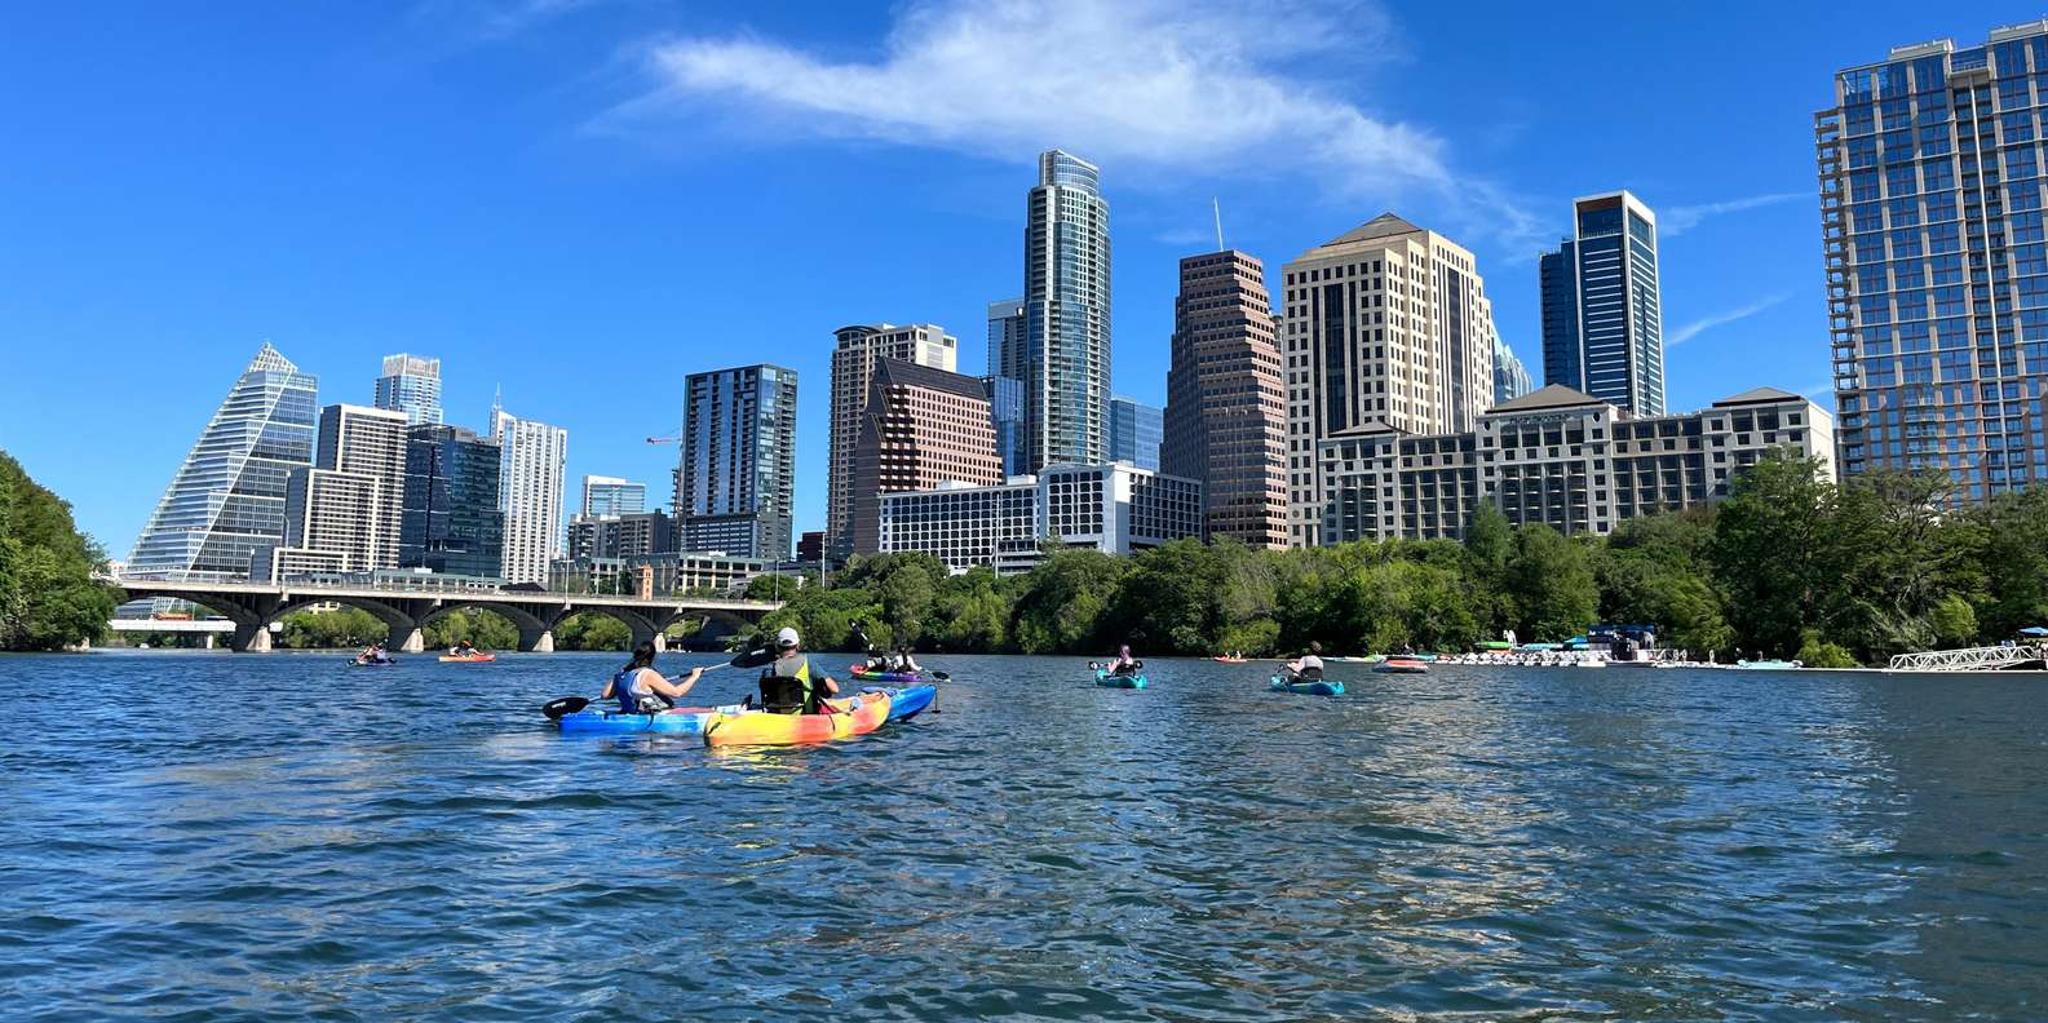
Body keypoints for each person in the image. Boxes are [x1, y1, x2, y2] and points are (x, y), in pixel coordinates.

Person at [736, 626, 841, 714]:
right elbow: (835, 689)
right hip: (804, 716)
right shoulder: (808, 664)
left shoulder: (768, 669)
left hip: (777, 716)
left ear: (778, 646)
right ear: (798, 645)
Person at [599, 641, 704, 714]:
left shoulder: (622, 673)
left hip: (629, 713)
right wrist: (695, 676)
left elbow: (605, 695)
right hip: (648, 716)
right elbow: (677, 693)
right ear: (652, 656)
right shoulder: (648, 674)